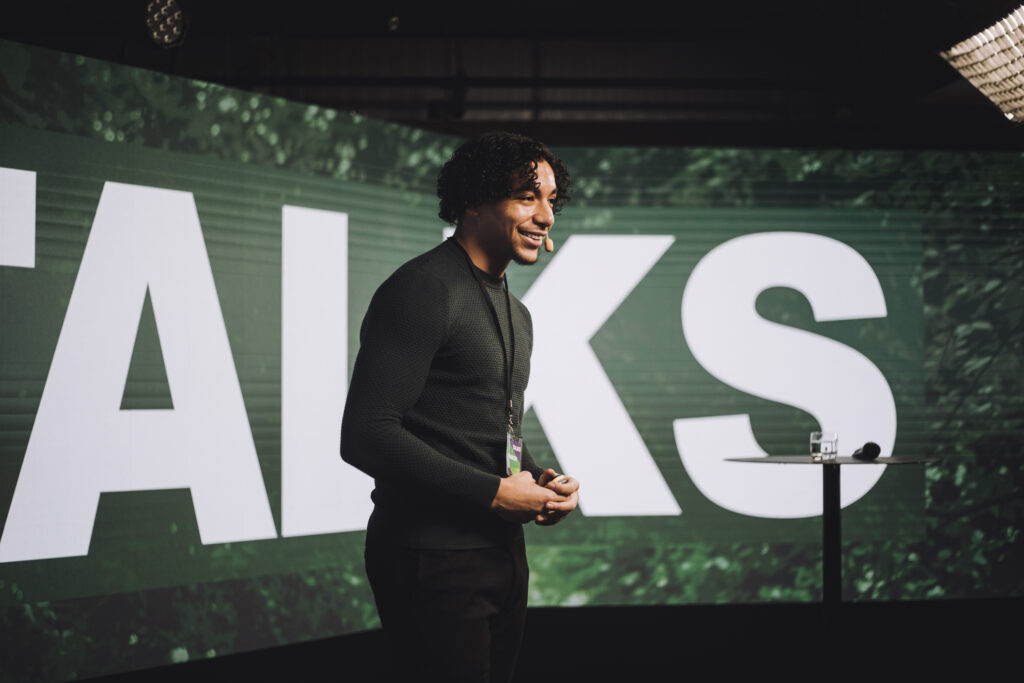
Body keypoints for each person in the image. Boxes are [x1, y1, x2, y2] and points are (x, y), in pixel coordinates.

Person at [340, 130, 580, 682]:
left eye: (550, 200)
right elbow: (366, 433)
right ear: (474, 200)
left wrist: (538, 479)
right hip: (429, 558)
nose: (546, 215)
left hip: (500, 556)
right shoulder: (423, 289)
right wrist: (495, 492)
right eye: (527, 196)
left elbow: (496, 426)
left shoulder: (517, 312)